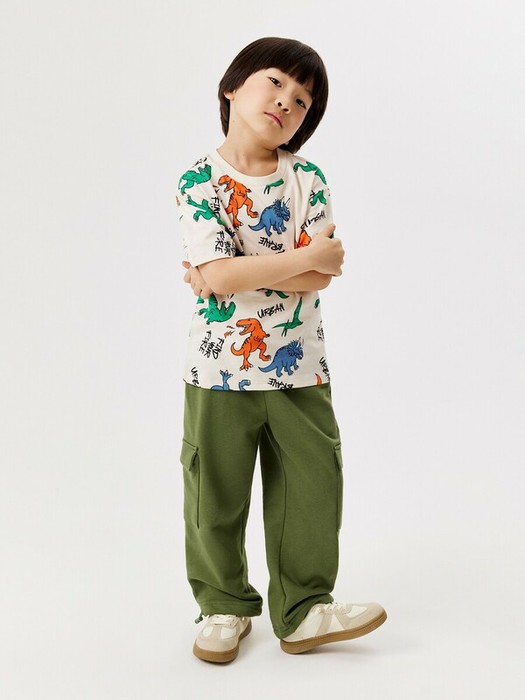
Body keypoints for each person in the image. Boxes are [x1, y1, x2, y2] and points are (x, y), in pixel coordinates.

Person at [176, 36, 386, 663]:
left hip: (301, 368)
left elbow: (322, 273)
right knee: (214, 492)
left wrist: (230, 270)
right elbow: (238, 273)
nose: (286, 102)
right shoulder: (199, 180)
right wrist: (268, 266)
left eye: (302, 101)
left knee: (314, 482)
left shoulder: (307, 179)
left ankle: (304, 608)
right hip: (219, 370)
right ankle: (222, 605)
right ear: (232, 87)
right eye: (275, 83)